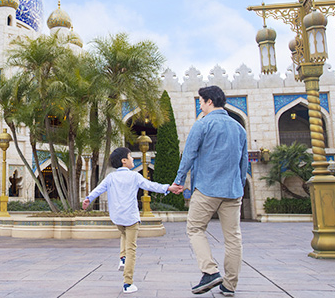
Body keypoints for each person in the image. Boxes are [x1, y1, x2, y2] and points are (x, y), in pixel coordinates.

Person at [171, 85, 248, 296]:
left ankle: (210, 271)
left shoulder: (202, 124)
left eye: (201, 101)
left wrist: (179, 180)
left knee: (195, 228)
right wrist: (239, 187)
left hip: (207, 189)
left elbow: (188, 155)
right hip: (232, 192)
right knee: (233, 238)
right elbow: (244, 163)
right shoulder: (239, 128)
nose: (200, 105)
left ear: (210, 102)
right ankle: (230, 285)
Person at [83, 147, 180, 294]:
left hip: (117, 218)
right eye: (130, 157)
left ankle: (122, 257)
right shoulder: (134, 176)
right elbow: (151, 186)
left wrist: (88, 198)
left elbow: (98, 189)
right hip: (131, 218)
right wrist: (168, 188)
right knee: (132, 249)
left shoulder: (110, 177)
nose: (132, 159)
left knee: (124, 234)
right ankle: (128, 283)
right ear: (124, 161)